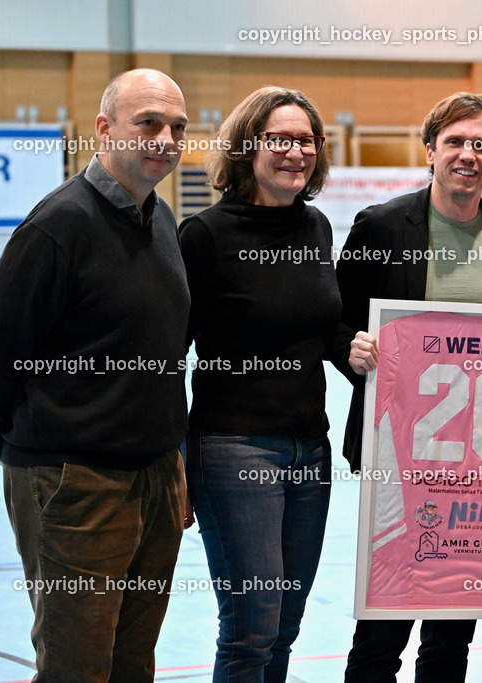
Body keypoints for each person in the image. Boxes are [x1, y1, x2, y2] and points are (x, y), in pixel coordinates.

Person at [0, 68, 189, 681]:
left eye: (177, 126)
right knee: (77, 666)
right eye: (147, 122)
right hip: (76, 481)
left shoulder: (162, 221)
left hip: (155, 477)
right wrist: (44, 456)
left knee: (132, 662)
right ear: (104, 128)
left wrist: (167, 460)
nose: (165, 137)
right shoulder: (59, 225)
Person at [338, 92, 482, 682]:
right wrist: (353, 348)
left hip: (478, 465)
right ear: (430, 151)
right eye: (455, 142)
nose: (468, 155)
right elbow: (336, 318)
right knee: (382, 626)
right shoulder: (382, 225)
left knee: (451, 637)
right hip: (397, 457)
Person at [179, 86, 350, 682]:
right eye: (279, 139)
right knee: (252, 629)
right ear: (248, 146)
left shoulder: (317, 229)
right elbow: (170, 356)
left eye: (305, 140)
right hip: (233, 450)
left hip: (311, 449)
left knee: (285, 628)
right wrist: (176, 459)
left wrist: (353, 347)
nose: (294, 152)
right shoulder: (204, 235)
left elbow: (320, 331)